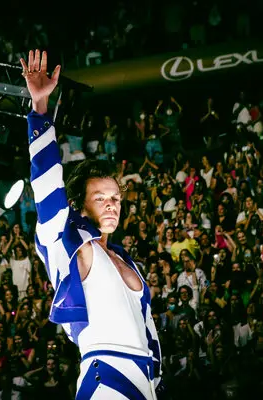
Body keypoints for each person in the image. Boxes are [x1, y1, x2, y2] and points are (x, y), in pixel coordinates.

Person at [21, 49, 162, 399]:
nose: (112, 204)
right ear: (78, 207)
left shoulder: (125, 258)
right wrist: (40, 111)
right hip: (107, 372)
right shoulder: (66, 241)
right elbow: (47, 185)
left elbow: (147, 329)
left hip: (146, 381)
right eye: (100, 198)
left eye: (115, 198)